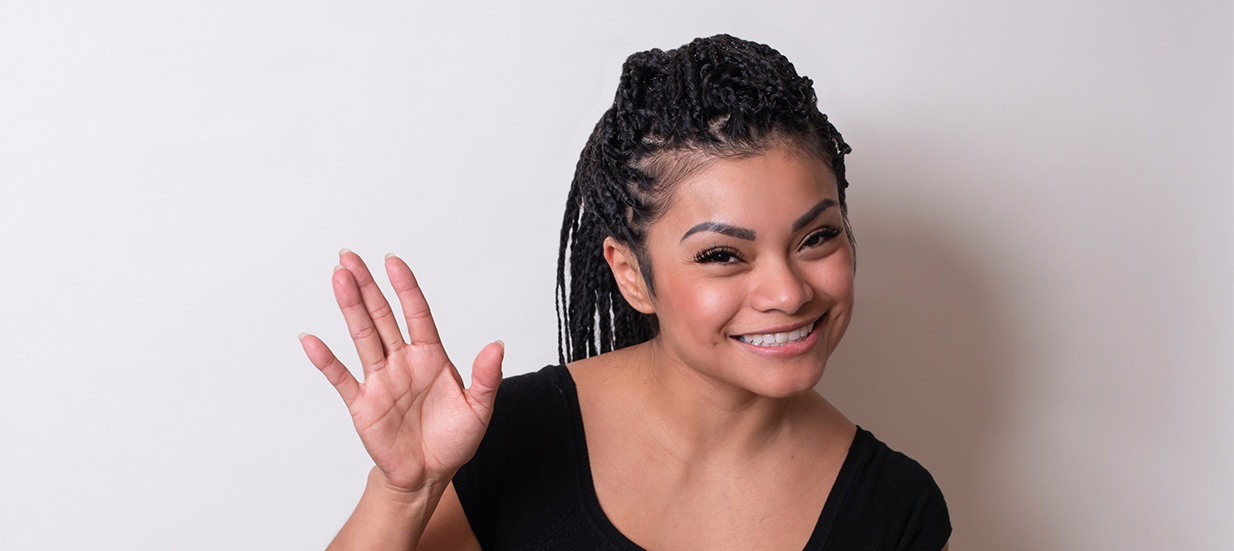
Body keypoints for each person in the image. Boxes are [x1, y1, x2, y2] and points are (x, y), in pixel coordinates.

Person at [299, 34, 951, 551]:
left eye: (816, 238)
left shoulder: (894, 509)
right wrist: (402, 491)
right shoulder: (513, 436)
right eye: (723, 253)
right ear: (631, 272)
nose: (785, 290)